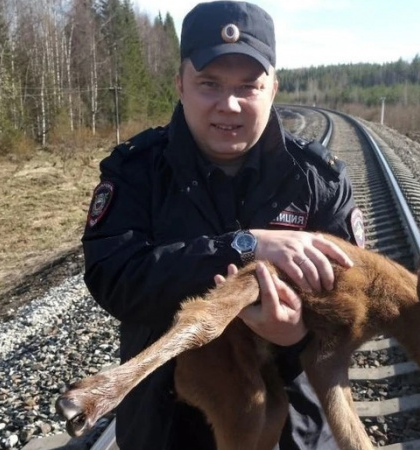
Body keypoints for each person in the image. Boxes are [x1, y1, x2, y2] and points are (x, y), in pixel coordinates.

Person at [81, 1, 365, 448]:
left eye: (248, 86)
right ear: (180, 84)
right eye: (209, 84)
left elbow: (353, 305)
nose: (228, 105)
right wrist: (244, 246)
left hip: (292, 430)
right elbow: (113, 277)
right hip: (168, 427)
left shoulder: (318, 181)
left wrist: (296, 333)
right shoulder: (137, 172)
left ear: (273, 88)